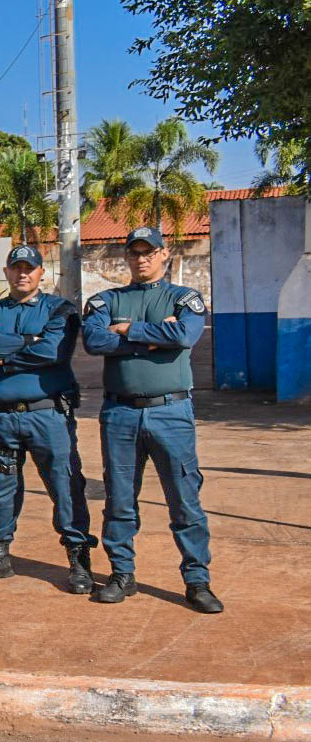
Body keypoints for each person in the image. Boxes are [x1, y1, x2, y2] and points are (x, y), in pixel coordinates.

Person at [82, 225, 221, 613]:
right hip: (120, 413)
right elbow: (94, 341)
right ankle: (122, 575)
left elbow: (186, 337)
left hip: (171, 412)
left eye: (149, 252)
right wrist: (156, 336)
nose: (141, 259)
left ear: (164, 254)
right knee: (120, 499)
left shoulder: (184, 297)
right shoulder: (106, 299)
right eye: (134, 253)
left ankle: (197, 581)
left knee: (184, 501)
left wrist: (128, 329)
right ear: (126, 258)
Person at [0, 245, 97, 592]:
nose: (22, 274)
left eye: (30, 268)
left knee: (66, 487)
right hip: (2, 419)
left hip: (48, 415)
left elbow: (54, 351)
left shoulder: (60, 309)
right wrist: (29, 344)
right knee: (0, 488)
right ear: (7, 272)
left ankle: (78, 559)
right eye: (16, 268)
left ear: (41, 273)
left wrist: (5, 355)